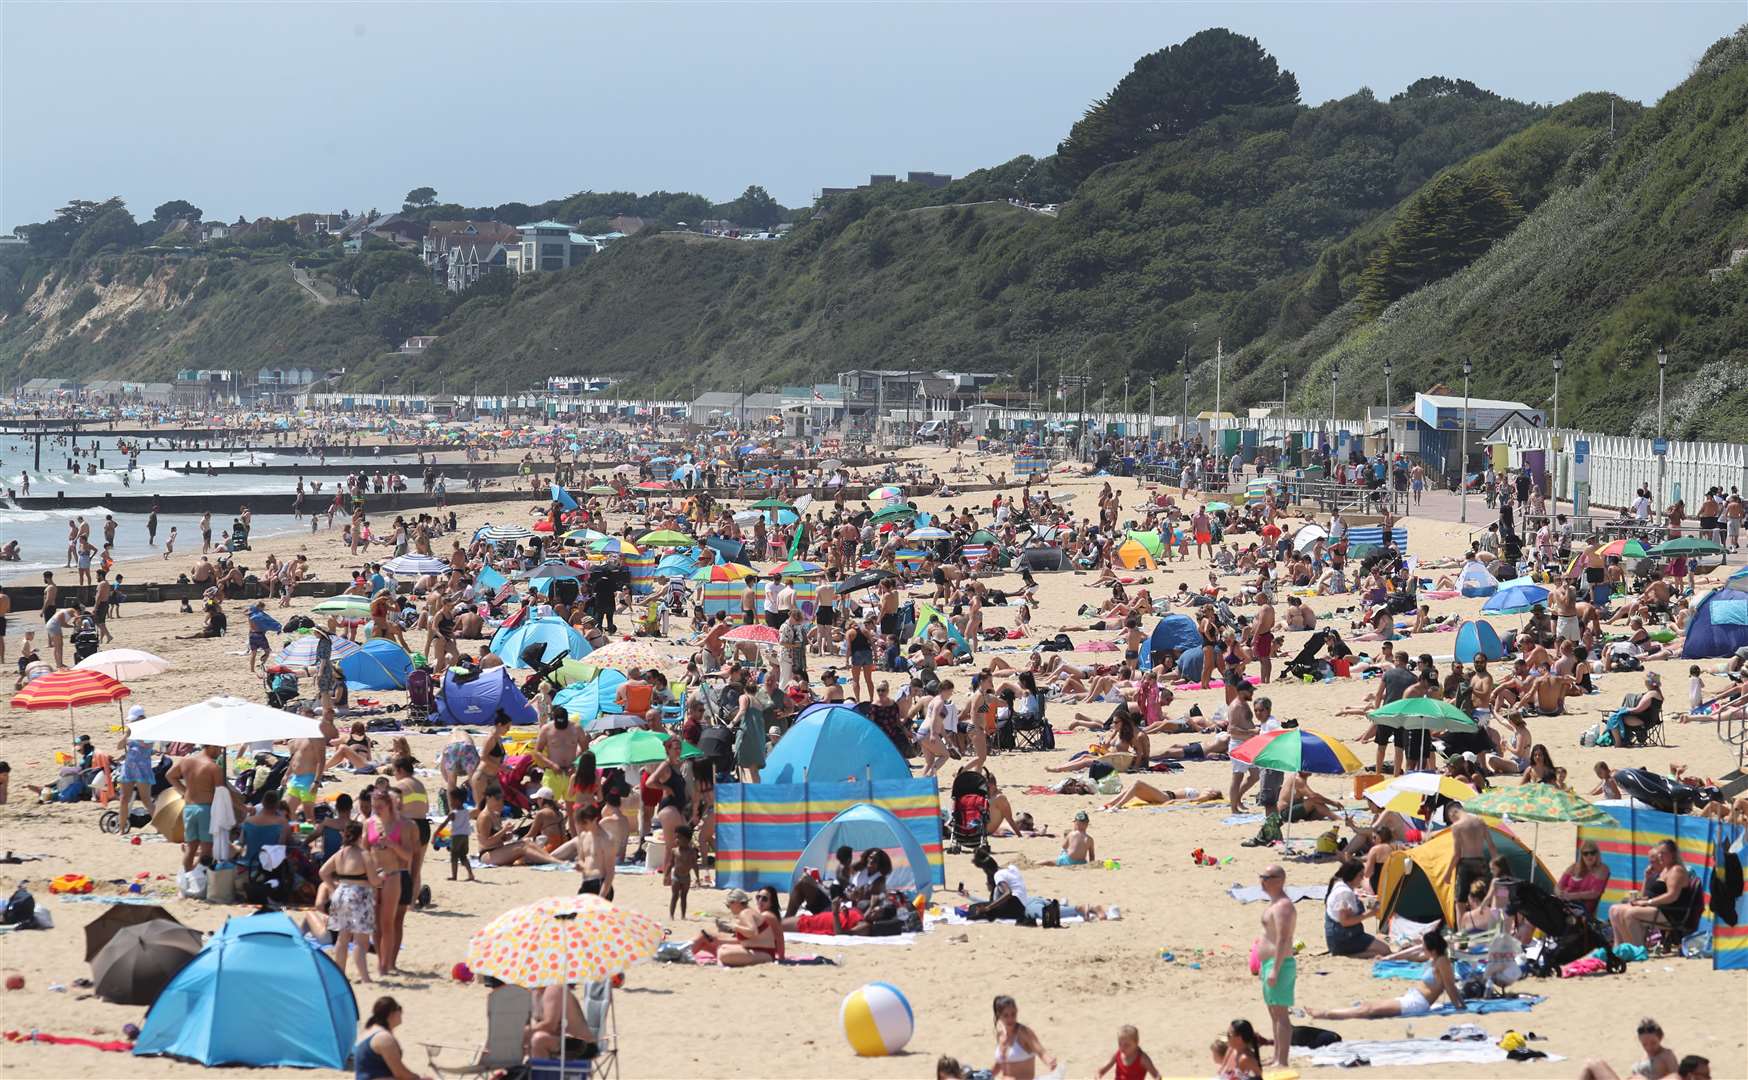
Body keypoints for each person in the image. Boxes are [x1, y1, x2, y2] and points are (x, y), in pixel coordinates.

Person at [1307, 929, 1465, 1020]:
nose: (1422, 950)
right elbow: (1413, 951)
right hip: (1411, 998)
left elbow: (1450, 986)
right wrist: (1389, 957)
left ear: (1433, 949)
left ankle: (1324, 1014)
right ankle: (1327, 1012)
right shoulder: (1435, 957)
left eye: (1424, 947)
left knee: (1368, 1010)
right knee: (1366, 1006)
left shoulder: (1442, 962)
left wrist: (1460, 1008)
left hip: (1416, 1004)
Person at [319, 820, 381, 983]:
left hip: (341, 893)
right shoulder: (363, 854)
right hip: (359, 895)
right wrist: (383, 878)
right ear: (360, 835)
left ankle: (340, 975)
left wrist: (333, 888)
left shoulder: (340, 853)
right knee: (361, 941)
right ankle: (365, 977)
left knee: (342, 937)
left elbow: (323, 872)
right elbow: (374, 881)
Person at [1608, 839, 1692, 948]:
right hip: (1660, 909)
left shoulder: (1676, 870)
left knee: (1630, 914)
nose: (1660, 856)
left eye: (1663, 853)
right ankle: (1619, 946)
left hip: (1671, 913)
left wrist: (1648, 902)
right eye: (1659, 853)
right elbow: (1648, 894)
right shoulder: (1666, 870)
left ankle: (1637, 948)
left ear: (1673, 854)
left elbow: (1672, 896)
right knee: (1614, 910)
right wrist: (1643, 898)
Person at [1256, 864, 1295, 1070]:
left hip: (1280, 965)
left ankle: (1283, 1060)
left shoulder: (1283, 906)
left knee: (1281, 1014)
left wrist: (1275, 969)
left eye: (1266, 877)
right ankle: (1276, 1056)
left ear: (1279, 880)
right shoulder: (1274, 903)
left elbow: (1283, 939)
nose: (1261, 881)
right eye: (1261, 876)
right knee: (1273, 1012)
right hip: (1270, 963)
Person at [167, 745, 223, 871]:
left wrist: (184, 791)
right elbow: (222, 793)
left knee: (191, 848)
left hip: (189, 808)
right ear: (212, 746)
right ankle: (199, 880)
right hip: (205, 809)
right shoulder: (213, 767)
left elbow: (170, 775)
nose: (220, 753)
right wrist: (242, 807)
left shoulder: (186, 761)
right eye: (219, 749)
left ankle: (188, 877)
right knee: (207, 849)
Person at [1576, 1018, 1680, 1080]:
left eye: (1653, 1043)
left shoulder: (1666, 1055)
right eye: (1644, 1044)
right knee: (1590, 1066)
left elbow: (1677, 1077)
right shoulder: (1643, 1056)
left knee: (1593, 1063)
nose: (1649, 1047)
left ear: (1660, 1037)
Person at [1324, 858, 1389, 957]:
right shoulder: (1344, 893)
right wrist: (1370, 914)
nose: (1362, 879)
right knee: (1385, 951)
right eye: (1360, 876)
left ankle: (1351, 954)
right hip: (1344, 939)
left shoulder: (1339, 885)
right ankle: (1351, 955)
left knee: (1382, 944)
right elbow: (1345, 922)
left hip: (1339, 937)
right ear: (1352, 875)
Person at [352, 997, 426, 1080]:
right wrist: (419, 1078)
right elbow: (400, 1073)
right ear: (391, 1013)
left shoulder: (368, 1031)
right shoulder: (383, 1038)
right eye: (399, 1009)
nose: (402, 1013)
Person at [992, 995, 1057, 1080]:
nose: (1010, 1018)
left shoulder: (1024, 1033)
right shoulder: (1000, 1035)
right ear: (999, 1015)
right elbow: (1001, 1064)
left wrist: (1049, 1060)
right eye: (1006, 1015)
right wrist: (986, 1075)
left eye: (1013, 1014)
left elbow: (1041, 1052)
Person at [1558, 841, 1609, 919]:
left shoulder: (1602, 869)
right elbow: (1559, 886)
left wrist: (1571, 896)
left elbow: (1595, 893)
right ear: (1582, 855)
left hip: (1581, 908)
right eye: (1585, 853)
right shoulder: (1574, 867)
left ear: (1597, 854)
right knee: (1536, 912)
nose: (1589, 856)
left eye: (1592, 853)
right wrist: (1560, 894)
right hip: (1565, 902)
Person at [669, 823, 698, 919]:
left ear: (687, 840)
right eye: (676, 838)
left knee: (684, 897)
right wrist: (666, 875)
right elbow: (670, 863)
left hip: (686, 877)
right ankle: (671, 915)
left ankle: (683, 915)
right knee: (674, 896)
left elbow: (695, 865)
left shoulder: (691, 852)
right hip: (676, 876)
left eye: (679, 838)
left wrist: (697, 877)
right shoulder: (674, 851)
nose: (676, 840)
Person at [447, 786, 475, 882]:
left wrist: (435, 834)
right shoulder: (466, 811)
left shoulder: (453, 813)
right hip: (465, 836)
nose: (450, 803)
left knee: (454, 856)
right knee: (463, 856)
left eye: (451, 800)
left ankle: (454, 876)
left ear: (457, 801)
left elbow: (444, 824)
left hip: (456, 837)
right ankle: (470, 874)